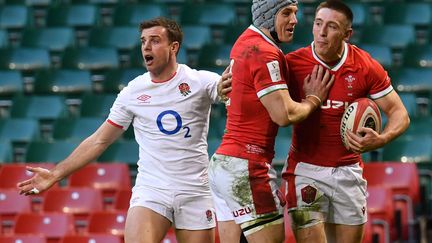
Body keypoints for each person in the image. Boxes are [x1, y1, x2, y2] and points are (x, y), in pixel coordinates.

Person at [17, 17, 232, 243]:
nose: (146, 47)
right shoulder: (133, 92)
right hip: (152, 189)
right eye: (143, 41)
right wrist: (55, 174)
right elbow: (99, 140)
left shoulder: (199, 81)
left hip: (194, 190)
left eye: (155, 41)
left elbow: (222, 89)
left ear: (174, 47)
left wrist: (226, 86)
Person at [281, 1, 410, 242]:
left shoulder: (364, 66)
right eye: (318, 23)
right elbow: (272, 108)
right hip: (305, 170)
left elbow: (400, 113)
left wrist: (380, 140)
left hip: (348, 171)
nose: (322, 32)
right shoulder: (292, 64)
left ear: (347, 34)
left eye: (331, 26)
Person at [208, 0, 334, 242]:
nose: (295, 20)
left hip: (223, 164)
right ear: (267, 15)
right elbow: (283, 115)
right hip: (247, 166)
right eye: (286, 13)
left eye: (295, 13)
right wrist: (313, 100)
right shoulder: (264, 52)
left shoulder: (244, 40)